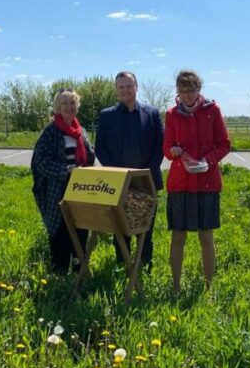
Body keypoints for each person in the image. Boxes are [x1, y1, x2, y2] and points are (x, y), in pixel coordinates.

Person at [163, 70, 230, 294]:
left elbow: (224, 144)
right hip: (180, 182)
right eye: (183, 91)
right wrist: (174, 151)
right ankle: (175, 287)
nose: (187, 95)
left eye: (191, 90)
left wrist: (207, 161)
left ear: (199, 89)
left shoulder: (213, 110)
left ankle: (209, 288)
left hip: (207, 182)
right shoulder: (172, 114)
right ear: (178, 91)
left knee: (205, 236)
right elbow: (167, 148)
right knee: (178, 236)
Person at [95, 71, 164, 270]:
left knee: (146, 228)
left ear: (136, 87)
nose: (126, 90)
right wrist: (119, 175)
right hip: (118, 183)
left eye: (129, 86)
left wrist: (144, 175)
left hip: (147, 181)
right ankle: (122, 263)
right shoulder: (107, 116)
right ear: (116, 90)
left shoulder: (151, 113)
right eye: (121, 87)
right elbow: (101, 148)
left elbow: (160, 145)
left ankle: (144, 264)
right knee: (121, 228)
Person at [31, 89, 95, 273]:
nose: (69, 107)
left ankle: (78, 273)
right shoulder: (50, 132)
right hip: (56, 190)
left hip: (80, 189)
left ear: (77, 106)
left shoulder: (81, 131)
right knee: (59, 232)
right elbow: (41, 162)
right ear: (58, 107)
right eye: (64, 103)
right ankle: (58, 275)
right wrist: (66, 171)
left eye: (72, 103)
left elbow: (90, 156)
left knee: (81, 229)